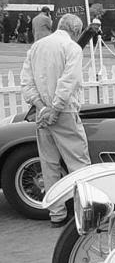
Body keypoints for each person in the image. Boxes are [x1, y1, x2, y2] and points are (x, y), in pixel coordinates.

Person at [20, 14, 92, 227]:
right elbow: (69, 81)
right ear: (76, 31)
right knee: (79, 164)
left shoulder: (36, 47)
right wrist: (55, 108)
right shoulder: (72, 48)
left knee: (49, 164)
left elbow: (27, 81)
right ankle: (85, 213)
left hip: (41, 112)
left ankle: (57, 214)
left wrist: (42, 107)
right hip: (64, 112)